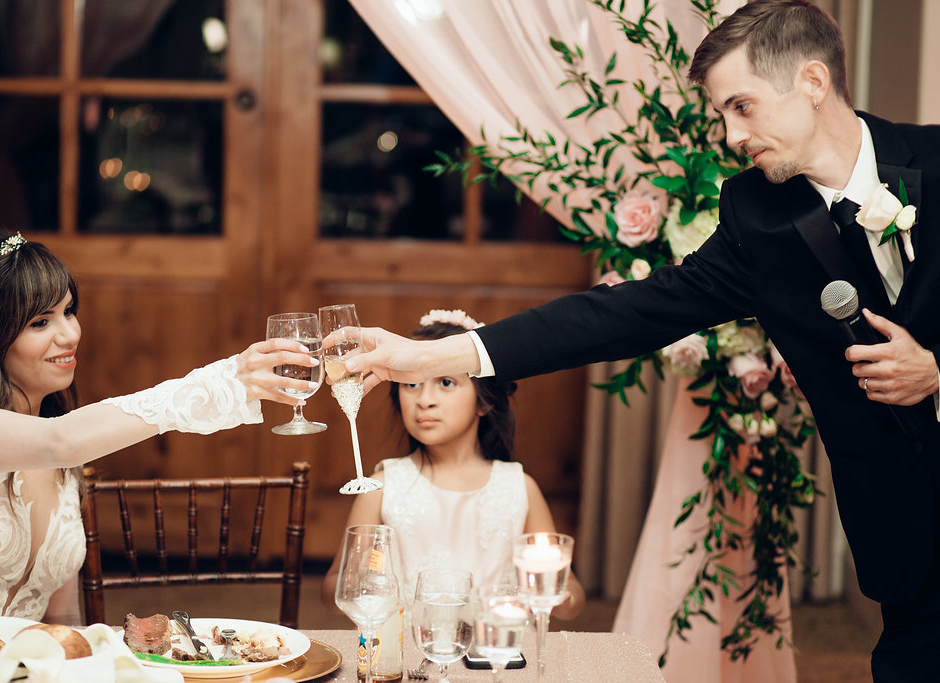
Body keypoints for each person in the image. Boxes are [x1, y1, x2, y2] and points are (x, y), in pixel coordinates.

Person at [342, 2, 940, 679]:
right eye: (721, 114)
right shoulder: (758, 214)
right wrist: (430, 355)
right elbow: (627, 311)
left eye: (741, 107)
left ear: (811, 80)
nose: (730, 134)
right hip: (905, 533)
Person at [0, 228, 320, 628]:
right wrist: (221, 383)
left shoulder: (62, 463)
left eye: (69, 311)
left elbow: (62, 618)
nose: (70, 334)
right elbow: (63, 440)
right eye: (40, 322)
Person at [321, 309, 584, 620]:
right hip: (407, 657)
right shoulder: (382, 487)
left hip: (495, 655)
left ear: (485, 401)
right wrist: (363, 579)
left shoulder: (518, 487)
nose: (425, 400)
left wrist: (555, 591)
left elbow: (572, 599)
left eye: (446, 382)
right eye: (411, 385)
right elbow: (332, 590)